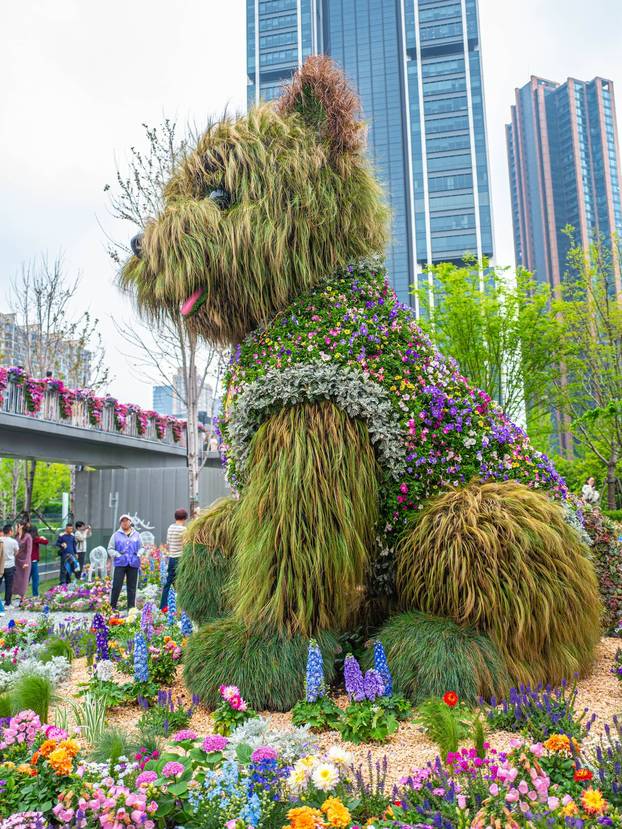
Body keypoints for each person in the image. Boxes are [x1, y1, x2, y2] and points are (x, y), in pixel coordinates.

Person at [107, 514, 144, 612]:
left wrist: (139, 554)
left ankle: (131, 609)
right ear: (120, 523)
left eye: (126, 521)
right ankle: (112, 608)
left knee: (132, 587)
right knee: (116, 585)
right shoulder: (116, 535)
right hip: (120, 563)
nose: (125, 523)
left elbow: (142, 547)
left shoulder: (137, 535)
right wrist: (117, 555)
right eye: (123, 521)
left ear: (130, 522)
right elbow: (110, 549)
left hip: (133, 563)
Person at [159, 508, 188, 610]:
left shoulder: (170, 528)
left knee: (169, 582)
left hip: (171, 558)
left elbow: (168, 543)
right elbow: (186, 545)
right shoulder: (184, 530)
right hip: (180, 559)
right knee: (182, 583)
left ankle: (163, 606)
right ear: (185, 518)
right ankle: (182, 607)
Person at [13, 521, 32, 607]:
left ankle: (22, 599)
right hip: (16, 561)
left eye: (17, 526)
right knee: (16, 579)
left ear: (21, 527)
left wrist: (26, 562)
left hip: (25, 561)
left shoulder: (28, 536)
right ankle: (14, 596)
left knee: (24, 580)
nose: (16, 528)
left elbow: (29, 551)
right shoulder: (16, 536)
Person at [27, 524, 48, 598]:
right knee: (35, 579)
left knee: (26, 579)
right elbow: (46, 542)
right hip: (33, 562)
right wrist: (43, 537)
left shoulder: (26, 538)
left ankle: (21, 595)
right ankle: (35, 595)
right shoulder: (35, 539)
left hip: (26, 561)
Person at [0, 525, 18, 609]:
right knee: (9, 585)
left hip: (0, 565)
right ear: (10, 531)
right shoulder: (13, 541)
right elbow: (16, 552)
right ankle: (7, 604)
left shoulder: (0, 540)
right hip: (10, 565)